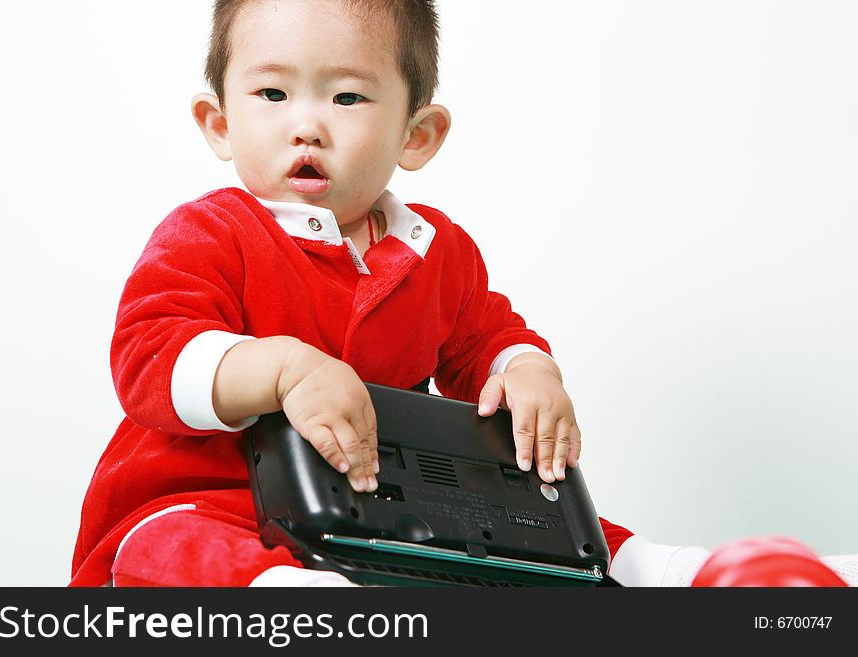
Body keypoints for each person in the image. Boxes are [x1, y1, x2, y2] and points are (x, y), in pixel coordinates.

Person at [70, 0, 853, 588]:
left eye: (346, 98)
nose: (306, 124)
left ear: (417, 135)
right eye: (272, 95)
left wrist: (528, 374)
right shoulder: (211, 232)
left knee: (539, 519)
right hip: (209, 492)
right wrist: (279, 369)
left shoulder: (434, 250)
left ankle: (667, 570)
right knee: (170, 548)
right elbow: (150, 353)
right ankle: (283, 597)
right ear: (218, 123)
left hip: (378, 499)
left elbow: (486, 336)